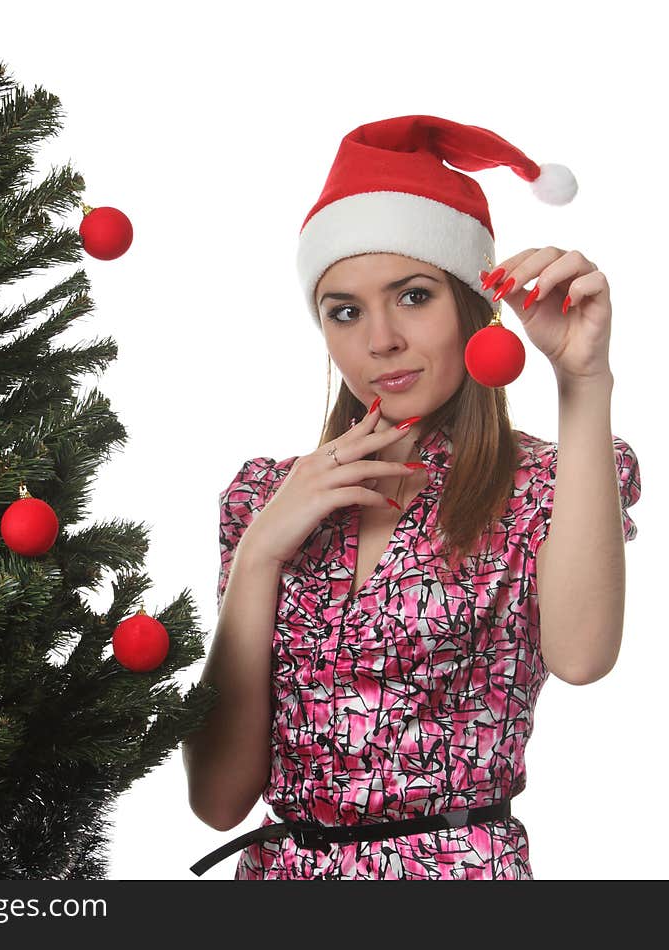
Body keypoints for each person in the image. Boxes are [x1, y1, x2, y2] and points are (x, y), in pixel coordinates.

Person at [182, 115, 641, 880]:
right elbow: (220, 799)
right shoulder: (264, 496)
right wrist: (261, 551)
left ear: (472, 304)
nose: (381, 340)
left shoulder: (544, 485)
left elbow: (583, 656)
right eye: (346, 310)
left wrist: (584, 380)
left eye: (414, 295)